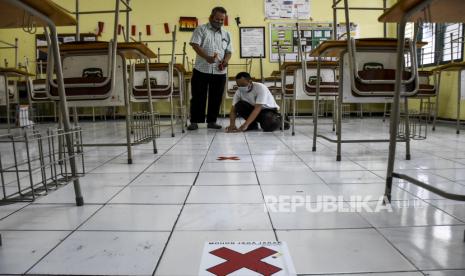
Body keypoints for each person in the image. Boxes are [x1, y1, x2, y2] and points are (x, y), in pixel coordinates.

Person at [187, 7, 232, 130]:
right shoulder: (201, 29)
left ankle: (212, 121)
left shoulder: (226, 34)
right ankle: (195, 121)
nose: (219, 21)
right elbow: (195, 45)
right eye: (217, 19)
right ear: (211, 17)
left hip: (219, 71)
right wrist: (207, 57)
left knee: (216, 97)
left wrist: (225, 61)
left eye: (222, 20)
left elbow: (229, 51)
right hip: (202, 69)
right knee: (198, 97)